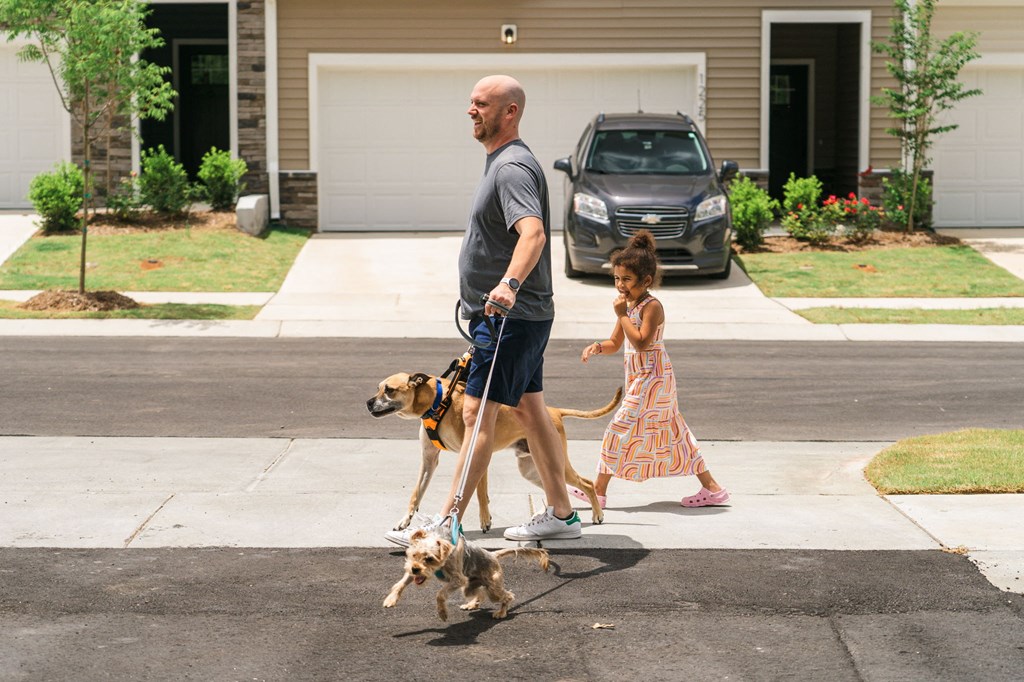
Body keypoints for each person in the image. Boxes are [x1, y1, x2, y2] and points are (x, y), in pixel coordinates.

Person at [385, 74, 581, 546]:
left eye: (482, 104)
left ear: (509, 111)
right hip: (513, 319)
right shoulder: (502, 162)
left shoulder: (512, 166)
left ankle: (446, 524)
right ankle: (563, 514)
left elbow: (531, 233)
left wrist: (509, 285)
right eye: (471, 103)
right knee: (532, 414)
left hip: (510, 319)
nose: (471, 110)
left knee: (475, 414)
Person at [574, 230, 729, 509]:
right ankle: (713, 489)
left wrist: (621, 314)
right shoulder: (631, 305)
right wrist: (597, 346)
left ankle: (598, 491)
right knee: (674, 432)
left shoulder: (651, 306)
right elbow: (616, 341)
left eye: (627, 280)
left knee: (617, 429)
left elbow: (643, 343)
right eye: (617, 279)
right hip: (643, 378)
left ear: (646, 280)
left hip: (652, 379)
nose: (620, 285)